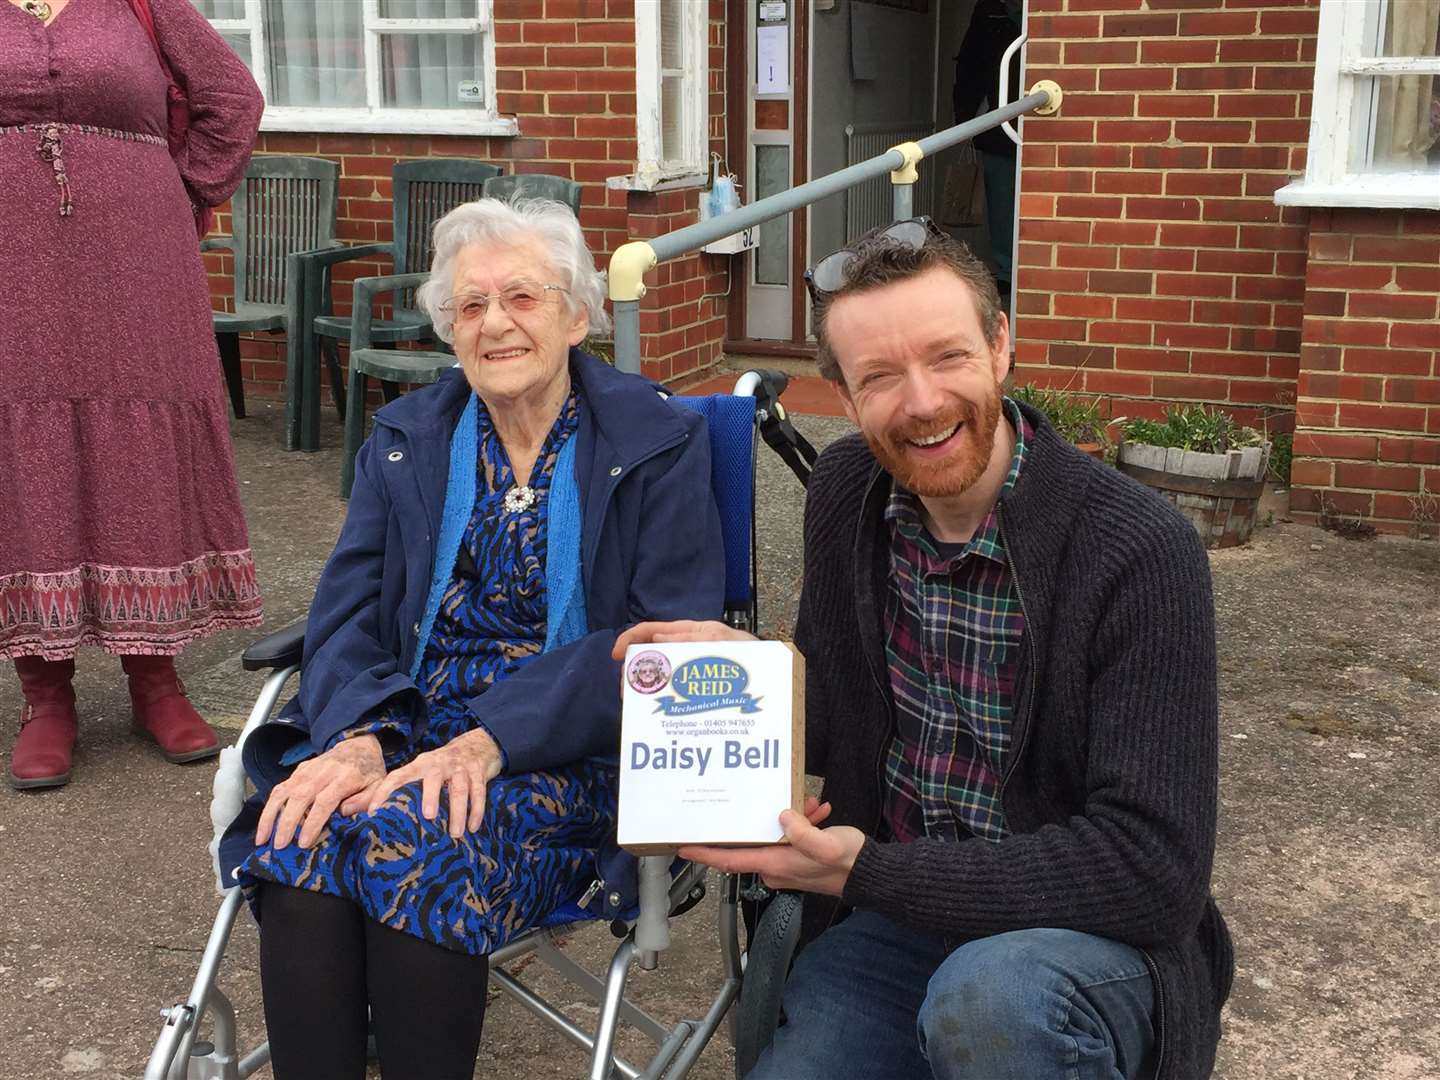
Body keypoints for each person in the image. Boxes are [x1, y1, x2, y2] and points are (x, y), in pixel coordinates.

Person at [617, 219, 1234, 1080]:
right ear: (845, 393)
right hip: (894, 924)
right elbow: (830, 721)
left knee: (988, 1003)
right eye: (878, 377)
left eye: (946, 357)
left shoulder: (1138, 550)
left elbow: (1151, 871)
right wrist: (746, 675)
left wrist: (869, 871)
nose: (921, 402)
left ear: (1000, 345)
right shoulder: (847, 493)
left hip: (1077, 943)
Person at [216, 196, 725, 1080]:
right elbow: (344, 612)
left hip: (571, 752)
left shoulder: (656, 442)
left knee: (417, 837)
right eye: (470, 306)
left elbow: (665, 647)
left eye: (522, 299)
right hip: (408, 725)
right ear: (448, 331)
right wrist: (358, 737)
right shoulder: (408, 439)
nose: (495, 324)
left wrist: (493, 742)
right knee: (301, 833)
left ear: (576, 315)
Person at [1, 0, 265, 789]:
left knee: (141, 451)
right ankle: (45, 697)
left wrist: (179, 192)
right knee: (25, 452)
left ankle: (156, 679)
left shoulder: (141, 3)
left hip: (141, 261)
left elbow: (232, 98)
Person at [952, 0, 1021, 296]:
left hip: (1031, 119)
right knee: (1002, 201)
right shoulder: (988, 10)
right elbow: (969, 67)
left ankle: (1018, 268)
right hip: (998, 124)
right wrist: (966, 121)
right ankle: (1007, 270)